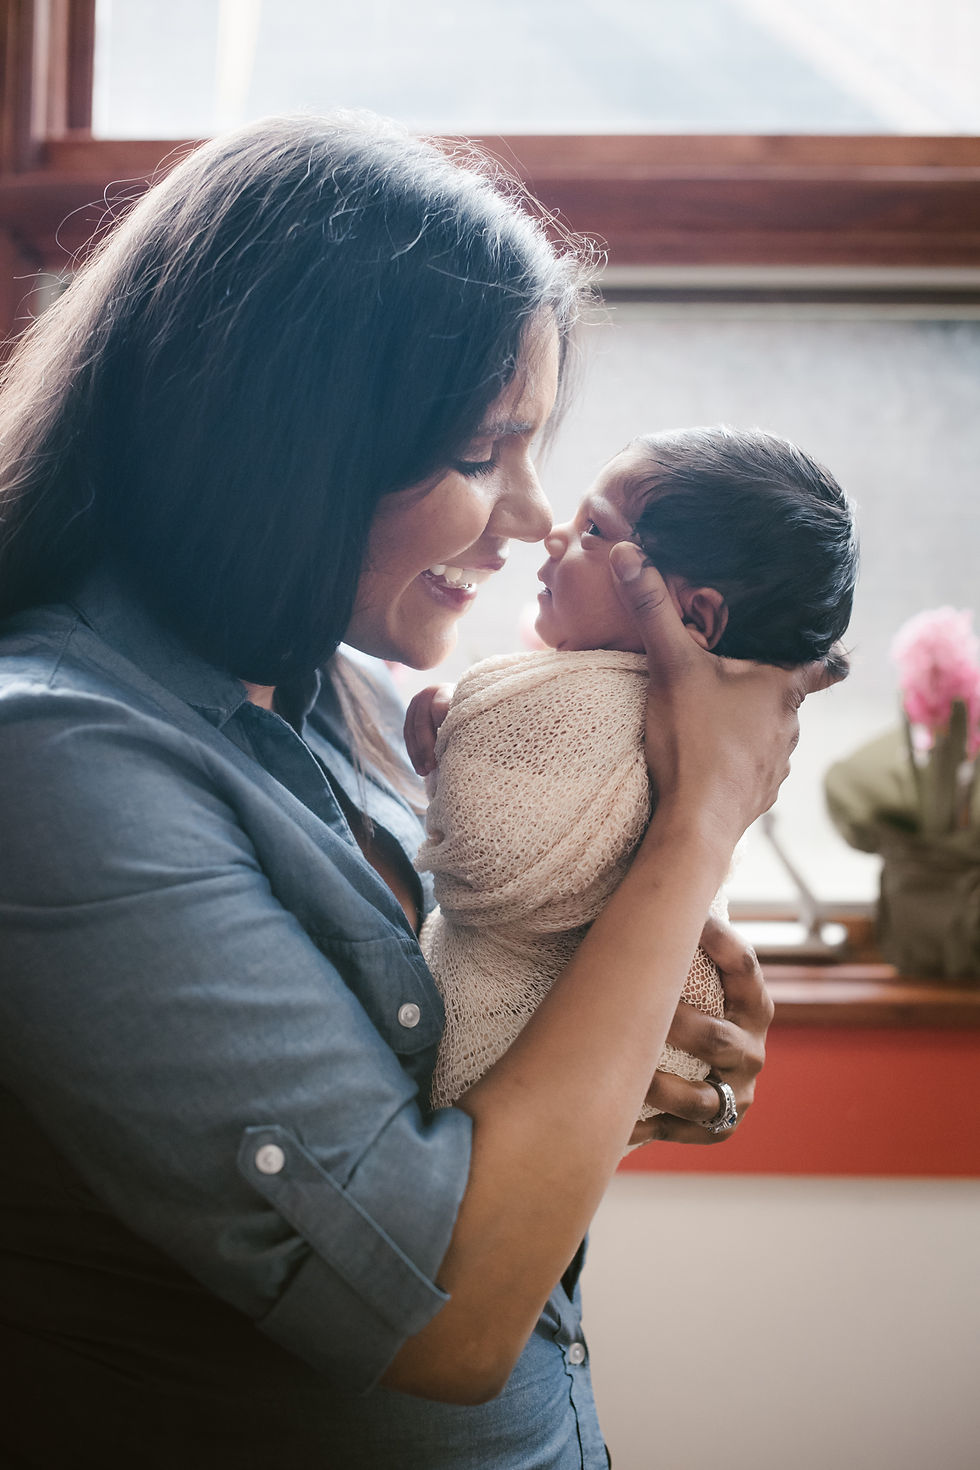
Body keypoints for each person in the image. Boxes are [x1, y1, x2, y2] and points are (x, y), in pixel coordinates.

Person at [0, 113, 834, 1469]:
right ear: (278, 445)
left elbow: (464, 1106)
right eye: (475, 455)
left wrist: (628, 1053)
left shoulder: (362, 697)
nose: (531, 519)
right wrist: (697, 820)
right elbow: (441, 1316)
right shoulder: (60, 766)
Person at [408, 426, 856, 1114]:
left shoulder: (603, 707)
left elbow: (487, 857)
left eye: (593, 529)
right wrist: (477, 712)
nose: (553, 532)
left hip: (516, 1067)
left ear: (694, 616)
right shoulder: (677, 727)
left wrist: (469, 727)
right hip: (623, 1064)